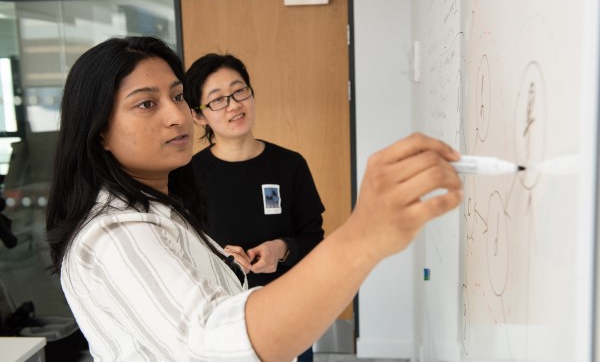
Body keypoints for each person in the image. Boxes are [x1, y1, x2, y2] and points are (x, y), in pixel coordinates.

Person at [45, 35, 463, 362]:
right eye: (146, 104)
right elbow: (212, 344)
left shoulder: (179, 196)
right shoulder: (118, 231)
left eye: (175, 97)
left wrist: (237, 262)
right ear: (98, 130)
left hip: (282, 314)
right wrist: (364, 236)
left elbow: (306, 236)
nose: (175, 116)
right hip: (270, 325)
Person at [176, 53, 325, 361]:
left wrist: (282, 249)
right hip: (219, 320)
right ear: (199, 115)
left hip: (287, 310)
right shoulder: (186, 176)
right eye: (217, 100)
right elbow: (179, 252)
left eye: (239, 90)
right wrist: (220, 260)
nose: (233, 104)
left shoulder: (290, 165)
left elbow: (314, 240)